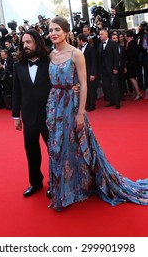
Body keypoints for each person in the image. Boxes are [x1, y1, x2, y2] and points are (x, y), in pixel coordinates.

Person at [46, 16, 148, 211]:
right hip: (55, 106)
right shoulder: (50, 55)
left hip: (73, 105)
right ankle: (65, 188)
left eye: (57, 29)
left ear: (66, 31)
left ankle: (82, 185)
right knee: (58, 146)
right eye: (51, 30)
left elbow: (84, 83)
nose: (54, 33)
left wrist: (80, 112)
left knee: (76, 144)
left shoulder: (76, 54)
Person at [12, 29, 52, 197]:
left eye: (28, 42)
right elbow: (16, 92)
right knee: (31, 151)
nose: (25, 45)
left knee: (53, 151)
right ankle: (35, 182)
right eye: (23, 43)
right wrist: (16, 116)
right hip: (28, 117)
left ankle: (55, 183)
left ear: (37, 42)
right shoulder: (18, 65)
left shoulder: (50, 62)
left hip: (49, 116)